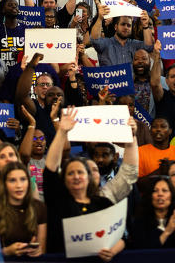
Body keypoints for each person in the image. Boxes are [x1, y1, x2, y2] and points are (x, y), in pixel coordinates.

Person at [42, 108, 126, 258]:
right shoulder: (58, 201)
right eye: (70, 173)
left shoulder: (102, 203)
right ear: (64, 179)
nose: (76, 176)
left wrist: (112, 251)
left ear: (89, 177)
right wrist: (62, 132)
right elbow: (50, 169)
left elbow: (122, 237)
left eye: (80, 172)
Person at [0, 162, 47, 257]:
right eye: (12, 180)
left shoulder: (39, 207)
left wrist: (37, 251)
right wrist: (6, 252)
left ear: (29, 182)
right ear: (4, 184)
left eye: (23, 179)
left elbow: (42, 250)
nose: (19, 185)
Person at [128, 176, 175, 249]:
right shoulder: (141, 218)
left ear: (171, 195)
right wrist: (167, 231)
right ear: (150, 196)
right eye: (155, 191)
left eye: (165, 190)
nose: (160, 194)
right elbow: (142, 250)